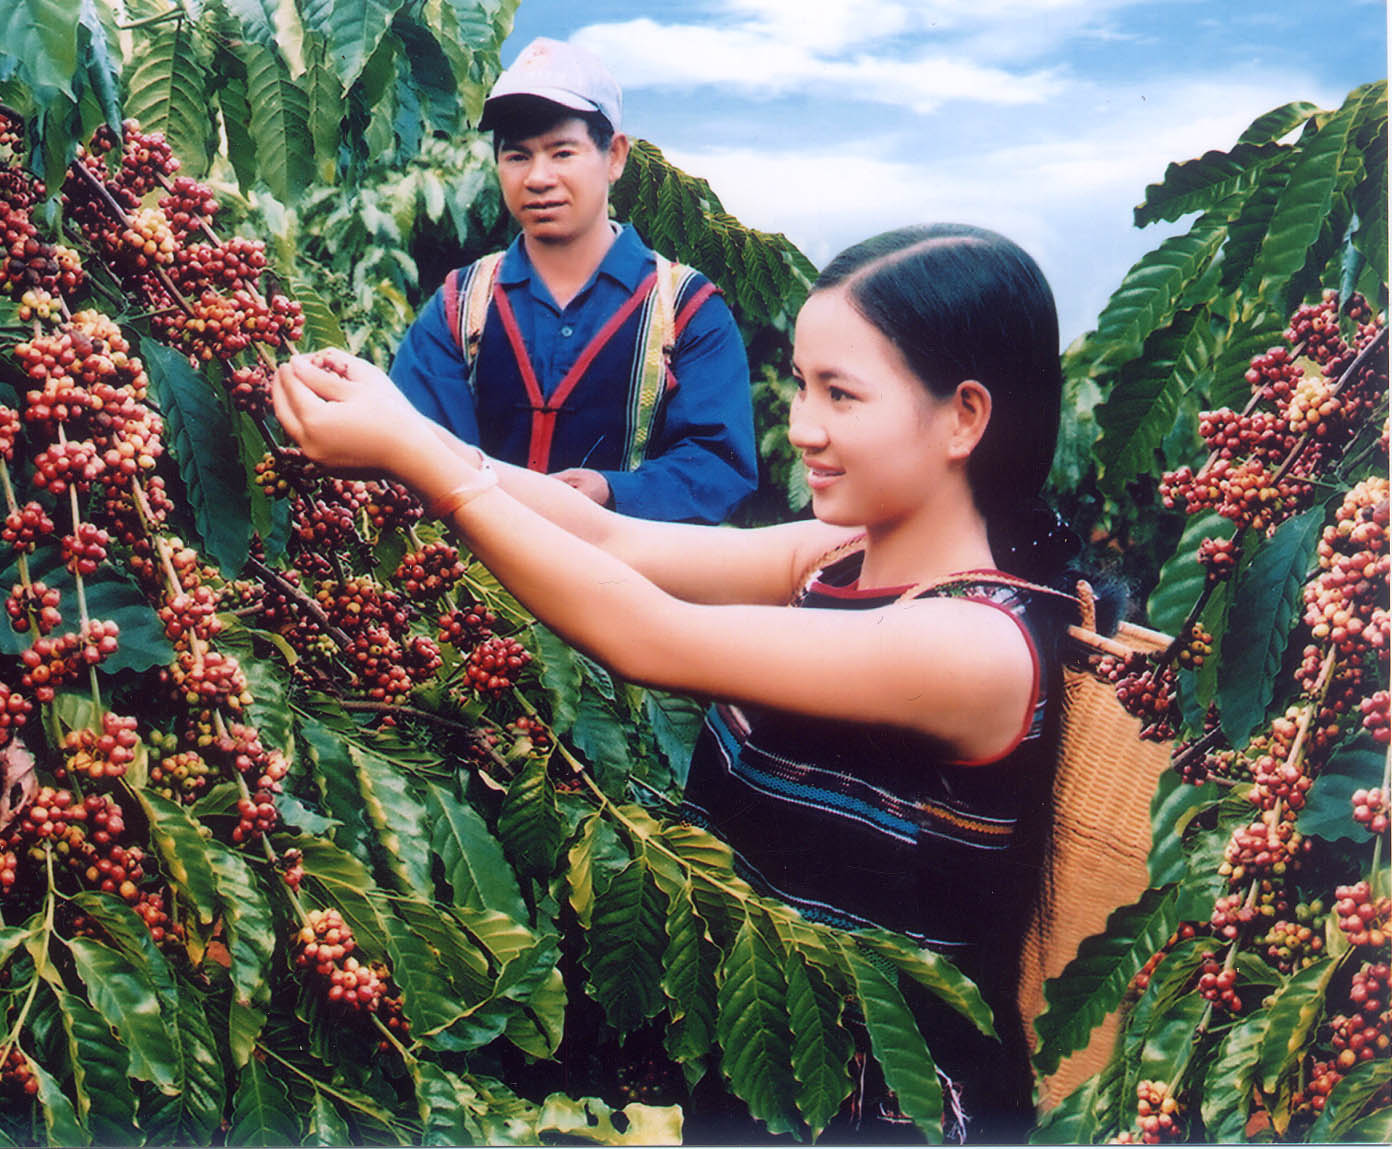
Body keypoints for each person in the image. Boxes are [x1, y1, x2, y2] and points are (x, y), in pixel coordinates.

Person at [274, 223, 1096, 1138]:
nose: (802, 425)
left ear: (964, 417)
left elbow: (651, 633)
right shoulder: (833, 558)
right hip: (767, 1085)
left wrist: (419, 464)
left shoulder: (974, 644)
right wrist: (415, 429)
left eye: (842, 394)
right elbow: (612, 540)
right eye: (800, 382)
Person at [389, 37, 758, 524]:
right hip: (477, 587)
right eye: (517, 157)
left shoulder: (686, 309)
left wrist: (614, 490)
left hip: (631, 588)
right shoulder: (461, 304)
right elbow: (412, 442)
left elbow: (719, 462)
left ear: (615, 156)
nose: (538, 177)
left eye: (562, 153)